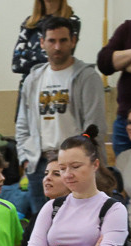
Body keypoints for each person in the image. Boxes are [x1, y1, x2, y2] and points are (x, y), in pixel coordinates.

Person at [16, 17, 107, 218]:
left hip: (73, 163)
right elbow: (22, 123)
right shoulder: (33, 78)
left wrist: (82, 161)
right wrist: (25, 157)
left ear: (73, 41)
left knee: (78, 220)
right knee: (43, 223)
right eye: (51, 41)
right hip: (39, 163)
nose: (57, 46)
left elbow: (94, 125)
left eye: (63, 40)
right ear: (42, 43)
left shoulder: (87, 76)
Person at [96, 1, 131, 157]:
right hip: (126, 122)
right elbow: (104, 62)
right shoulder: (128, 27)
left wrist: (122, 63)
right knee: (124, 177)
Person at [12, 1, 81, 115]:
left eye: (60, 40)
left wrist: (29, 54)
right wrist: (43, 55)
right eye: (51, 40)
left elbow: (59, 58)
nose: (56, 45)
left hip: (55, 89)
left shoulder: (71, 21)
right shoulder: (29, 23)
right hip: (29, 89)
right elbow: (16, 64)